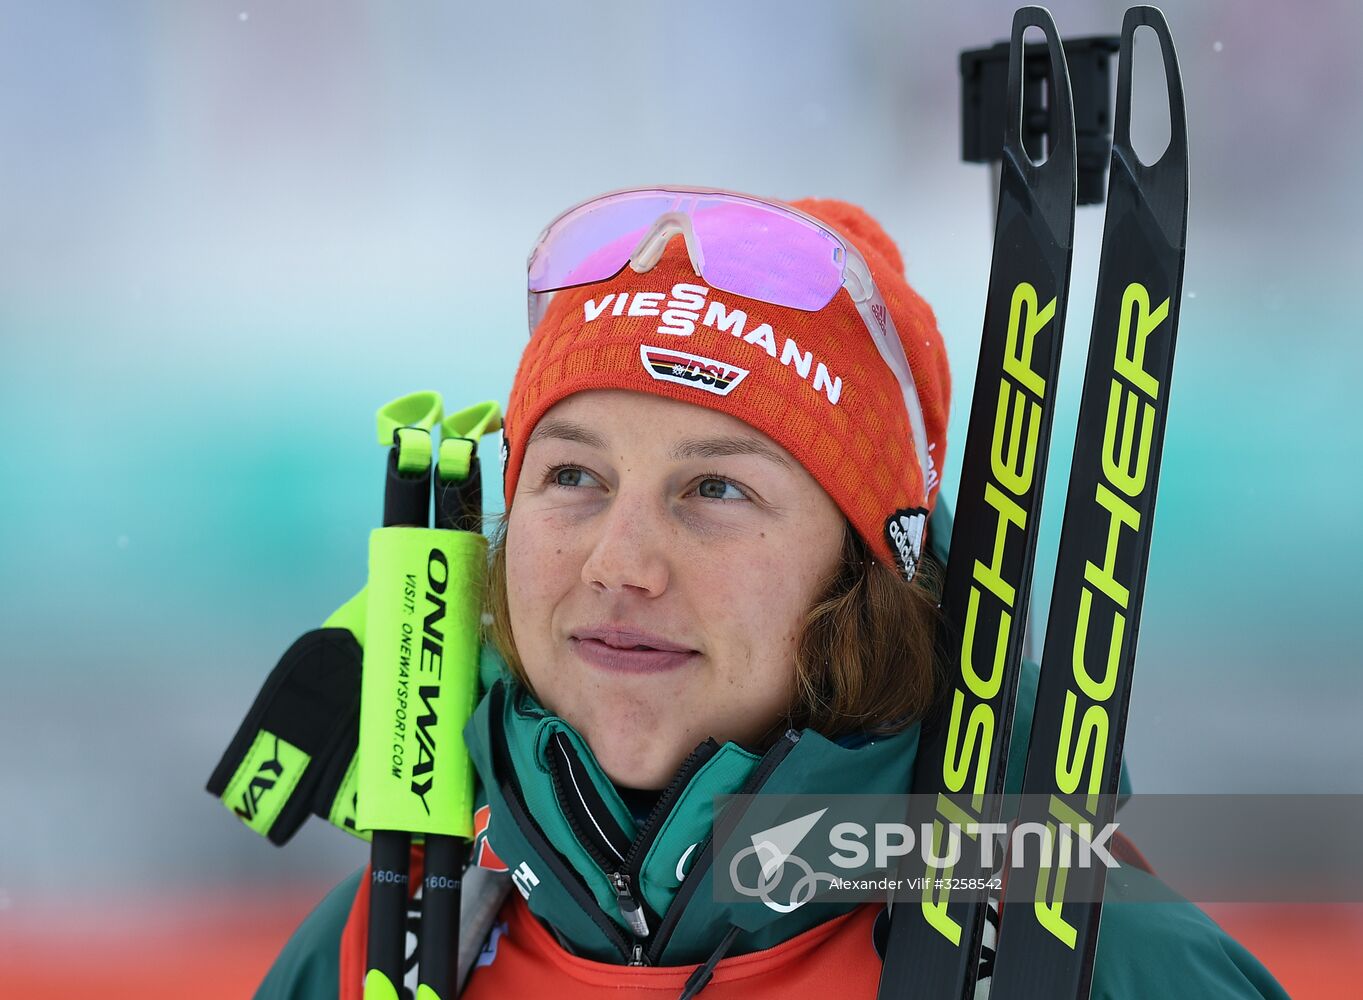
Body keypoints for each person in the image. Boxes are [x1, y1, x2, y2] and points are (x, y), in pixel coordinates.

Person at [257, 188, 1287, 999]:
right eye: (571, 475)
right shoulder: (384, 952)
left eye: (716, 488)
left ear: (859, 575)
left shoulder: (1091, 960)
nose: (620, 562)